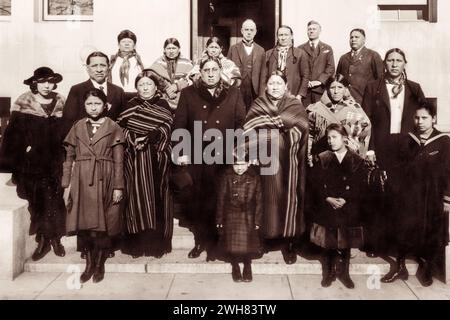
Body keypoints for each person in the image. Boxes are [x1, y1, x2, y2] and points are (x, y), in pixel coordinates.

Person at [173, 57, 246, 261]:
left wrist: (237, 150)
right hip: (198, 155)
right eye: (207, 70)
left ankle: (219, 244)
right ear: (201, 72)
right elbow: (179, 124)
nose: (211, 73)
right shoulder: (189, 93)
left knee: (222, 199)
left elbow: (241, 123)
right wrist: (181, 151)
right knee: (200, 201)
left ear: (221, 71)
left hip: (224, 154)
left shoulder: (233, 93)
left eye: (215, 69)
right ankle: (200, 241)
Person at [362, 48, 426, 265]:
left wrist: (421, 143)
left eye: (399, 60)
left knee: (403, 196)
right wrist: (369, 148)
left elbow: (422, 117)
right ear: (384, 64)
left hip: (407, 147)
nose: (394, 64)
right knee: (380, 194)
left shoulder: (414, 88)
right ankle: (376, 243)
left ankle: (401, 244)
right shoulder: (373, 87)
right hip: (382, 145)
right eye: (390, 60)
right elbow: (366, 120)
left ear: (405, 63)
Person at [0, 67, 66, 261]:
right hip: (32, 164)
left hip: (56, 162)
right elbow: (12, 137)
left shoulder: (60, 102)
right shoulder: (24, 102)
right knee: (39, 201)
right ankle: (46, 239)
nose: (47, 85)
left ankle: (52, 239)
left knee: (55, 199)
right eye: (43, 81)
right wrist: (13, 164)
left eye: (51, 81)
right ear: (34, 83)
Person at [243, 71, 309, 265]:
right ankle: (264, 240)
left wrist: (271, 128)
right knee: (265, 198)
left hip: (290, 161)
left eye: (279, 83)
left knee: (288, 200)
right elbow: (249, 128)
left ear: (286, 86)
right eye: (271, 83)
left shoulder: (295, 104)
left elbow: (302, 126)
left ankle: (288, 243)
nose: (274, 87)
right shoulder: (258, 103)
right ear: (266, 86)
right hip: (265, 162)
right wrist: (277, 129)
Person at [62, 89, 125, 284]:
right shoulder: (77, 126)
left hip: (104, 178)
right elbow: (69, 158)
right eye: (89, 104)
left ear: (104, 105)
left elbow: (119, 161)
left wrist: (118, 186)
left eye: (97, 103)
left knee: (101, 225)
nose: (93, 107)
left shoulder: (113, 127)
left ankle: (99, 263)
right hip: (81, 179)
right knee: (83, 224)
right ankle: (88, 263)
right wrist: (66, 185)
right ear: (84, 106)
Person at [388, 104, 449, 286]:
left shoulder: (444, 142)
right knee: (402, 228)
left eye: (424, 118)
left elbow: (449, 171)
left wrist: (447, 198)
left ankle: (426, 266)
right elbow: (397, 169)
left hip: (432, 196)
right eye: (417, 118)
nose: (420, 122)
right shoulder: (407, 140)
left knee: (430, 231)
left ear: (433, 119)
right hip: (408, 195)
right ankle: (400, 267)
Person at [117, 70, 173, 258]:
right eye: (141, 85)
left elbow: (168, 126)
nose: (145, 88)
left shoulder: (163, 104)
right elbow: (120, 129)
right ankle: (136, 246)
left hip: (156, 158)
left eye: (149, 84)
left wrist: (153, 136)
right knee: (135, 201)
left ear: (156, 87)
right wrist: (132, 139)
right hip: (134, 159)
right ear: (137, 88)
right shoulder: (130, 105)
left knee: (156, 199)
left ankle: (156, 246)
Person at [309, 123, 367, 289]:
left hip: (347, 206)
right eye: (328, 138)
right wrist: (327, 197)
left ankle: (345, 273)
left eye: (334, 137)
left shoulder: (356, 160)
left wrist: (346, 199)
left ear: (344, 138)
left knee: (345, 241)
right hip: (328, 206)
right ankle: (329, 272)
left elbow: (359, 185)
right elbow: (315, 183)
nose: (331, 141)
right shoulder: (323, 158)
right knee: (330, 242)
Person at [306, 74, 371, 166]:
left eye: (340, 87)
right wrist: (309, 157)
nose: (336, 91)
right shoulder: (316, 109)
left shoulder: (354, 109)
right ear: (327, 89)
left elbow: (365, 131)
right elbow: (309, 135)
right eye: (332, 87)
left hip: (347, 159)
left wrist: (355, 147)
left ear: (345, 89)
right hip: (321, 158)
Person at [216, 159, 263, 282]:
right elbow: (221, 199)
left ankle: (247, 265)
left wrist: (257, 220)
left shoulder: (254, 177)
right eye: (236, 164)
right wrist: (219, 219)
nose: (239, 167)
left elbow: (259, 201)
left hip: (248, 215)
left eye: (243, 164)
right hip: (232, 213)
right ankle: (235, 265)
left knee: (248, 243)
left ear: (248, 164)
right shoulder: (227, 176)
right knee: (233, 244)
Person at [63, 51, 126, 136]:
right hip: (85, 143)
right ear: (87, 68)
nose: (99, 70)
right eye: (94, 66)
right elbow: (69, 122)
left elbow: (124, 121)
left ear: (109, 67)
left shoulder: (118, 91)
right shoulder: (77, 90)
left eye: (103, 65)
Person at [260, 25, 310, 101]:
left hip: (293, 95)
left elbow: (305, 76)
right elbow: (263, 77)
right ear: (277, 37)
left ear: (291, 36)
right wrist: (264, 96)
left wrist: (300, 95)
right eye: (280, 35)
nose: (283, 38)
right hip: (272, 96)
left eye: (286, 35)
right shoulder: (269, 54)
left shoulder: (300, 53)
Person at [336, 28, 383, 104]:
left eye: (357, 37)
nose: (353, 39)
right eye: (351, 37)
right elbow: (337, 80)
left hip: (365, 101)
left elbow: (380, 81)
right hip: (345, 102)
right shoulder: (343, 58)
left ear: (364, 40)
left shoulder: (373, 55)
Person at [227, 19, 265, 110]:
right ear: (242, 31)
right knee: (238, 112)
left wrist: (261, 94)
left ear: (255, 32)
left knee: (252, 114)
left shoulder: (261, 50)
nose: (249, 32)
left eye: (251, 30)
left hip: (254, 89)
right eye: (246, 29)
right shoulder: (233, 49)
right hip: (238, 87)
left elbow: (263, 74)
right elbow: (227, 71)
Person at [298, 20, 335, 107]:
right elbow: (297, 69)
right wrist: (305, 83)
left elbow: (330, 68)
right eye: (309, 29)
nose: (311, 31)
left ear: (320, 31)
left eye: (314, 29)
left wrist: (319, 81)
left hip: (321, 90)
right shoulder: (300, 48)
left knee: (320, 115)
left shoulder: (327, 48)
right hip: (304, 91)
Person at [149, 38, 194, 111]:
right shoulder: (158, 63)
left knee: (194, 120)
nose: (171, 51)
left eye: (174, 48)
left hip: (182, 98)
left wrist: (177, 86)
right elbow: (152, 77)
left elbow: (192, 79)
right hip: (163, 99)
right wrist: (167, 88)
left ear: (179, 49)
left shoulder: (187, 63)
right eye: (168, 48)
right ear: (164, 50)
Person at [109, 30, 145, 101]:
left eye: (130, 42)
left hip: (136, 97)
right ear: (118, 44)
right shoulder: (111, 60)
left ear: (134, 45)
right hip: (116, 97)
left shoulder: (141, 60)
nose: (126, 44)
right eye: (123, 42)